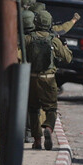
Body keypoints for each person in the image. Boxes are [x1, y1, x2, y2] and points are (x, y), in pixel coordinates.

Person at [26, 10, 72, 150]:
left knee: (33, 110)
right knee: (51, 109)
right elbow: (68, 58)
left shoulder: (28, 38)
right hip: (49, 79)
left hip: (32, 79)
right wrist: (64, 45)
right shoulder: (54, 40)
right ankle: (48, 128)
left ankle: (37, 141)